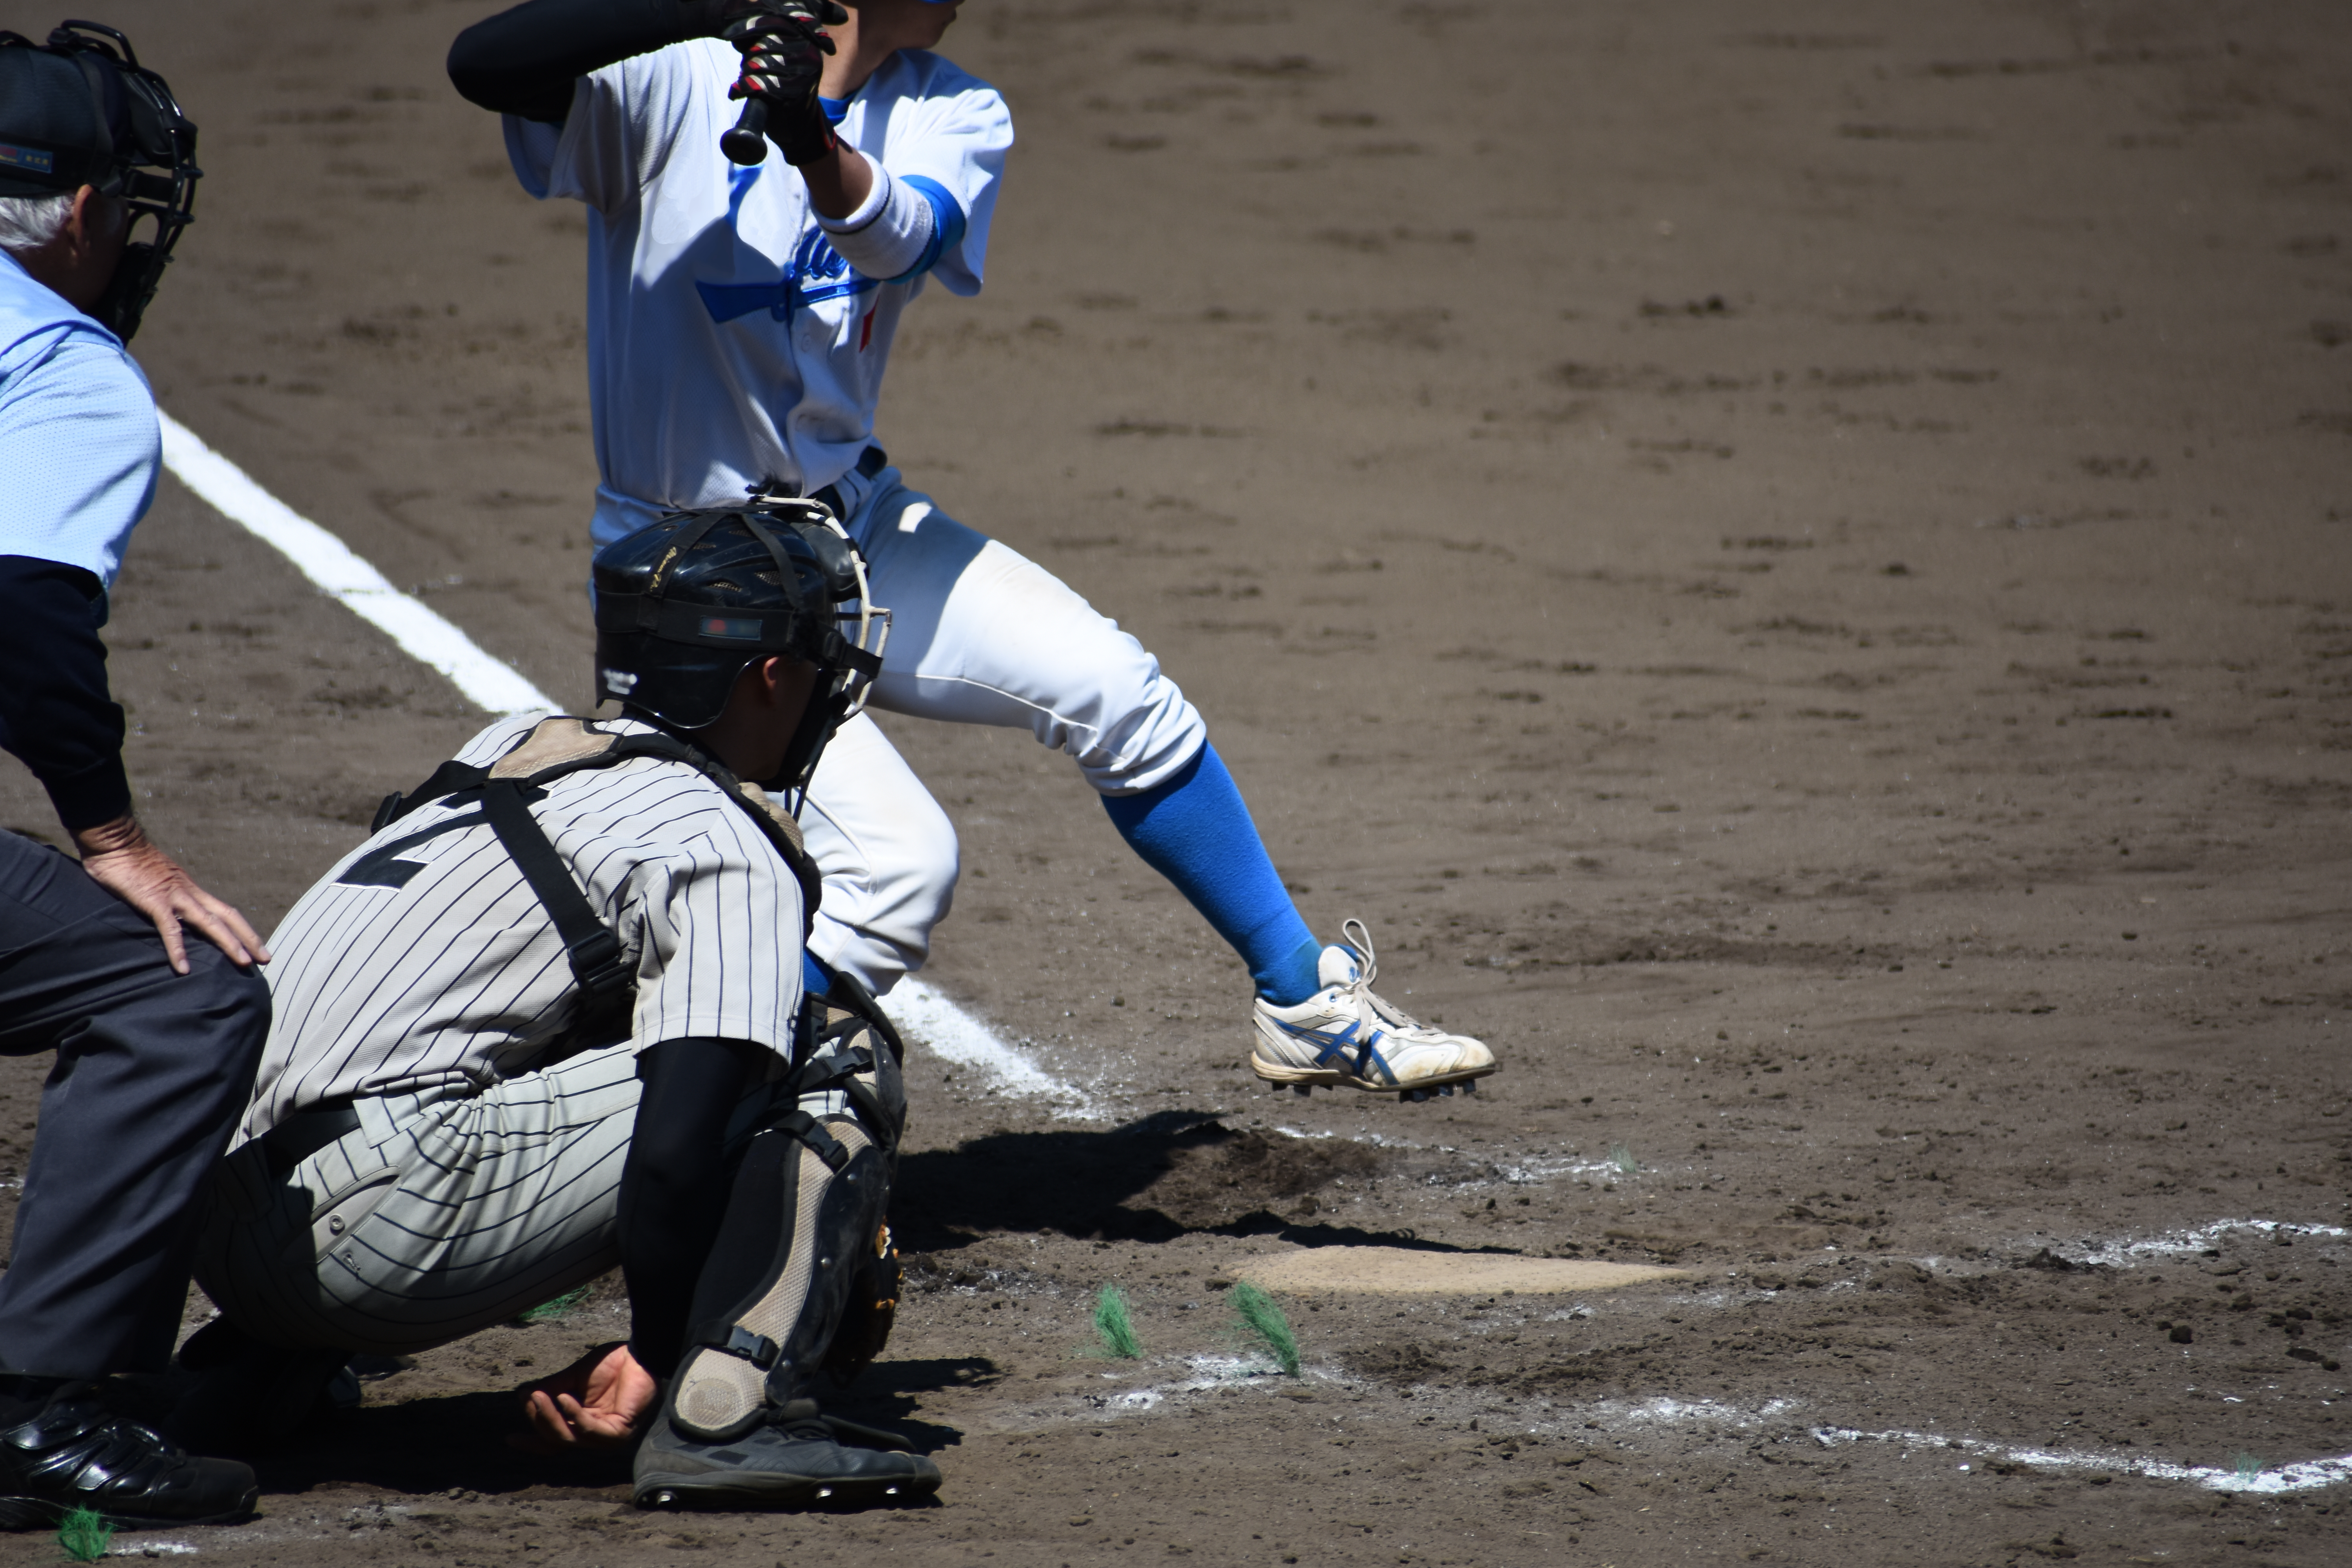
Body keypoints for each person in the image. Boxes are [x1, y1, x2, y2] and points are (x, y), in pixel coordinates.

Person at [443, 0, 1501, 1102]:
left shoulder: (953, 108)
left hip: (846, 530)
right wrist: (718, 7)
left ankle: (1302, 999)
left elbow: (901, 235)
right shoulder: (668, 81)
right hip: (690, 582)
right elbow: (483, 61)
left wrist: (807, 134)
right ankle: (639, 1113)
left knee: (1113, 687)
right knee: (899, 867)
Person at [186, 502, 940, 1510]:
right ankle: (730, 1412)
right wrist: (660, 1351)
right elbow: (676, 1156)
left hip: (220, 1218)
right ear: (771, 677)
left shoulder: (515, 746)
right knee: (825, 1048)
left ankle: (253, 1371)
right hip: (378, 1233)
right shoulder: (721, 841)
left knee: (570, 1013)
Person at [0, 20, 269, 1531]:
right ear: (91, 213)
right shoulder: (68, 371)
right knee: (179, 992)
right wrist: (113, 836)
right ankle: (46, 1408)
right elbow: (26, 608)